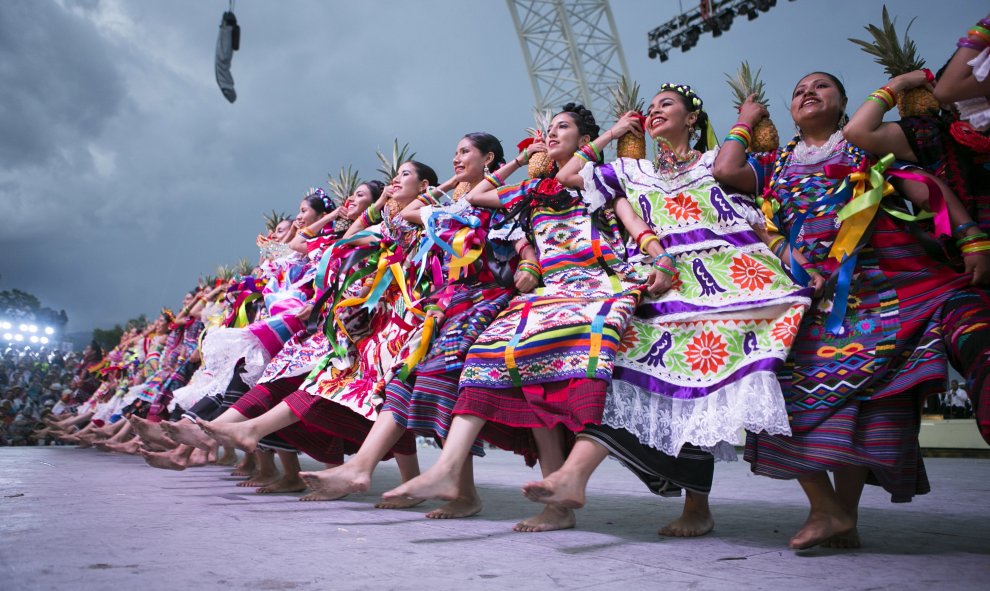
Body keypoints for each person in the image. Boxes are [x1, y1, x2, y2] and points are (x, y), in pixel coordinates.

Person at [713, 71, 990, 550]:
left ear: (843, 103)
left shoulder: (865, 146)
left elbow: (922, 187)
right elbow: (724, 170)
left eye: (821, 86)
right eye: (798, 89)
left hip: (878, 288)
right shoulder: (776, 162)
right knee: (778, 393)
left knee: (864, 404)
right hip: (806, 296)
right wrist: (745, 120)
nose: (807, 93)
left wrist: (971, 236)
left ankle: (845, 517)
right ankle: (825, 508)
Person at [382, 104, 647, 533]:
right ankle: (452, 468)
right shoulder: (531, 190)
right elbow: (475, 197)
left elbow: (609, 203)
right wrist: (523, 160)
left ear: (584, 139)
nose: (551, 133)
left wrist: (611, 135)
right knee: (488, 355)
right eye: (548, 128)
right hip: (548, 294)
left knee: (572, 369)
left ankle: (562, 490)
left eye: (562, 127)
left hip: (598, 287)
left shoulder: (599, 177)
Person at [299, 132, 525, 518]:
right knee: (407, 378)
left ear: (489, 157)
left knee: (438, 376)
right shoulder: (453, 201)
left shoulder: (501, 197)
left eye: (465, 152)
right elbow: (407, 214)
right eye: (454, 152)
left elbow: (516, 240)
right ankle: (366, 467)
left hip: (483, 300)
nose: (456, 158)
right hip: (448, 303)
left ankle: (454, 488)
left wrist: (515, 167)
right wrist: (452, 185)